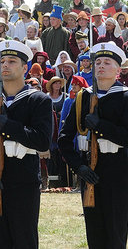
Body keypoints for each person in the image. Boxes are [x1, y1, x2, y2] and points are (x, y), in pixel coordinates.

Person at [58, 41, 128, 249]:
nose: (101, 66)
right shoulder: (82, 97)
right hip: (89, 171)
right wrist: (79, 167)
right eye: (97, 62)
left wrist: (101, 126)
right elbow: (64, 139)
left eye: (107, 62)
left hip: (116, 170)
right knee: (94, 235)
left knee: (115, 234)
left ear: (118, 70)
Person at [0, 40, 53, 248]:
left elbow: (42, 140)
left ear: (24, 68)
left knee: (23, 238)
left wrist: (8, 125)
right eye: (2, 60)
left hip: (23, 179)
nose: (5, 65)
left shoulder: (38, 100)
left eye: (12, 61)